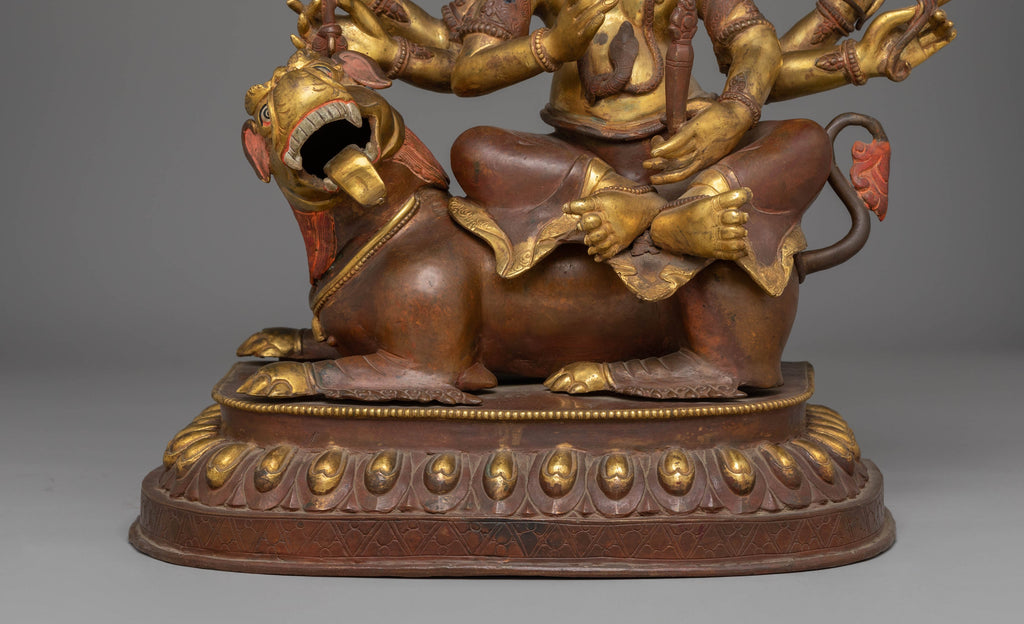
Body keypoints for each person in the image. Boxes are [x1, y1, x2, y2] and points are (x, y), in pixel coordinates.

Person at [302, 0, 954, 396]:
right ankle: (658, 218)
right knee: (475, 149)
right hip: (578, 166)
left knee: (805, 139)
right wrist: (552, 46)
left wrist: (734, 113)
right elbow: (469, 69)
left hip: (684, 158)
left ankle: (656, 215)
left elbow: (754, 48)